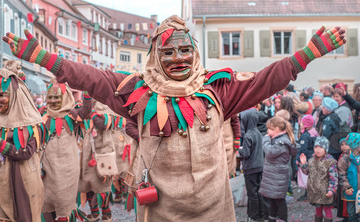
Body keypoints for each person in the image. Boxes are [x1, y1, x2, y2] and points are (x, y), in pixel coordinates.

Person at [2, 16, 346, 221]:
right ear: (156, 55)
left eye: (184, 50)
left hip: (214, 209)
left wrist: (306, 55)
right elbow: (89, 77)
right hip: (161, 210)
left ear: (194, 53)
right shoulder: (136, 91)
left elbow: (263, 80)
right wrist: (43, 57)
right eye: (168, 52)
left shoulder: (218, 90)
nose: (178, 58)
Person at [0, 66, 47, 222]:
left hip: (24, 183)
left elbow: (25, 153)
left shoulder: (32, 124)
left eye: (2, 95)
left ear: (14, 96)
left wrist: (2, 145)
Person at [41, 81, 92, 221]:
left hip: (67, 170)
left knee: (64, 203)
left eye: (57, 97)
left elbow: (86, 111)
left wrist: (87, 91)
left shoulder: (72, 115)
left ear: (66, 97)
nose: (52, 101)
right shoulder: (42, 116)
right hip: (46, 169)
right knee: (46, 202)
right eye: (50, 97)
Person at [78, 100, 129, 222]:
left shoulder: (109, 103)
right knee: (87, 182)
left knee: (103, 183)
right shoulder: (89, 102)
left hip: (105, 148)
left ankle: (106, 212)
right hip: (88, 149)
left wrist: (94, 114)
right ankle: (94, 212)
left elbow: (103, 123)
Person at [259, 117, 298, 222]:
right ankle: (272, 218)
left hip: (278, 176)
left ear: (276, 129)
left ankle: (282, 219)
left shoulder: (282, 142)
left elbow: (270, 152)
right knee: (272, 199)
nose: (267, 131)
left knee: (279, 200)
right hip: (274, 175)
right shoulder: (278, 139)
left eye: (269, 129)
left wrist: (266, 140)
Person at [299, 136, 338, 222]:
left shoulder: (330, 162)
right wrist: (304, 164)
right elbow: (307, 172)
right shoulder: (312, 160)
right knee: (318, 210)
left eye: (321, 147)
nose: (318, 149)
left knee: (327, 210)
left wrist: (332, 189)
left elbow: (333, 178)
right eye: (316, 147)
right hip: (315, 191)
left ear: (326, 149)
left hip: (325, 191)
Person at [238, 108, 264, 222]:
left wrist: (240, 150)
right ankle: (261, 214)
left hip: (251, 168)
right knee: (258, 192)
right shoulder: (258, 132)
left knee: (252, 193)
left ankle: (253, 215)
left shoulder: (248, 135)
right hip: (259, 165)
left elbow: (246, 153)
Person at [296, 114, 319, 201]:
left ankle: (308, 194)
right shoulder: (314, 132)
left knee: (307, 176)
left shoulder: (305, 135)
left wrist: (299, 159)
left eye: (301, 123)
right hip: (313, 157)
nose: (300, 124)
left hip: (307, 158)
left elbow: (303, 149)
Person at [338, 133, 360, 222]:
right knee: (351, 212)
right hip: (350, 191)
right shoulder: (345, 159)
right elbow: (342, 174)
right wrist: (347, 186)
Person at [337, 137, 350, 221]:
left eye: (346, 144)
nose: (344, 146)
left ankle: (349, 216)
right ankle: (344, 216)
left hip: (348, 180)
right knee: (342, 199)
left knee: (348, 200)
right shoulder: (341, 155)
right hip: (341, 180)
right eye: (342, 145)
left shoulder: (350, 156)